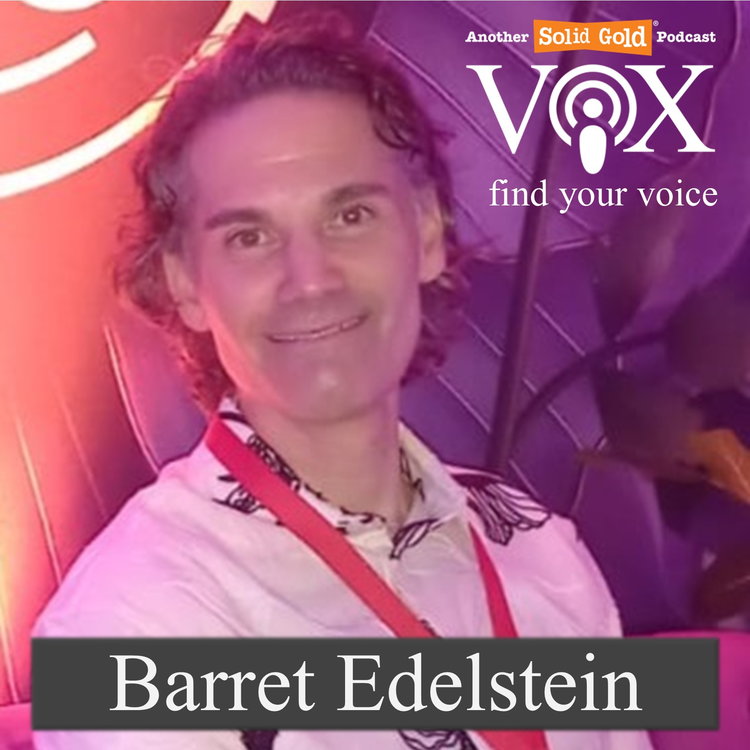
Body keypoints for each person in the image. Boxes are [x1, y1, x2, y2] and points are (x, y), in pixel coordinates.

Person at [33, 17, 653, 750]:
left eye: (350, 215)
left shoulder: (541, 550)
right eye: (249, 237)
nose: (310, 279)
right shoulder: (132, 623)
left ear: (427, 234)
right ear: (186, 284)